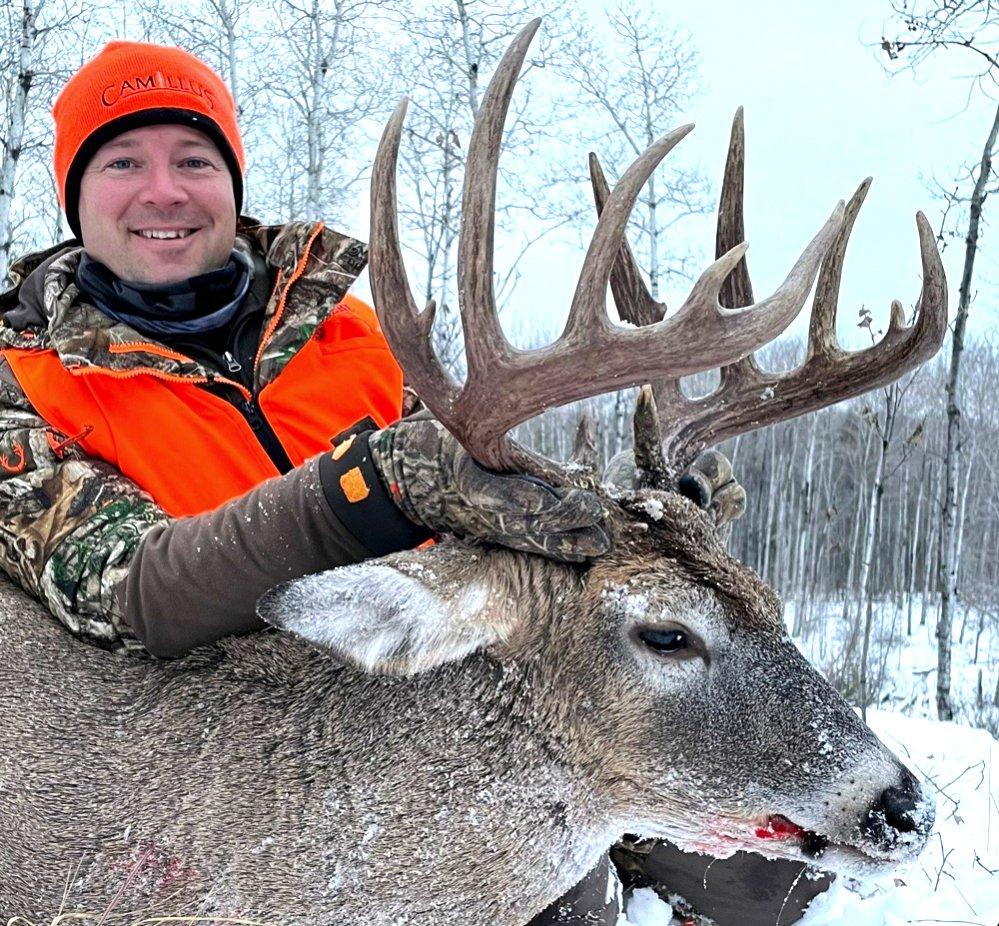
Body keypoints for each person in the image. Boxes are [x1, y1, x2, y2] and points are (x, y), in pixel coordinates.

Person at [0, 41, 827, 926]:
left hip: (468, 696)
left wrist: (635, 526)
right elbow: (126, 589)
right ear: (73, 196)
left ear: (230, 183)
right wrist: (370, 490)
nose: (164, 191)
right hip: (221, 762)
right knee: (564, 901)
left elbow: (474, 499)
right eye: (123, 162)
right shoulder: (23, 383)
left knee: (774, 887)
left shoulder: (350, 334)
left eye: (194, 160)